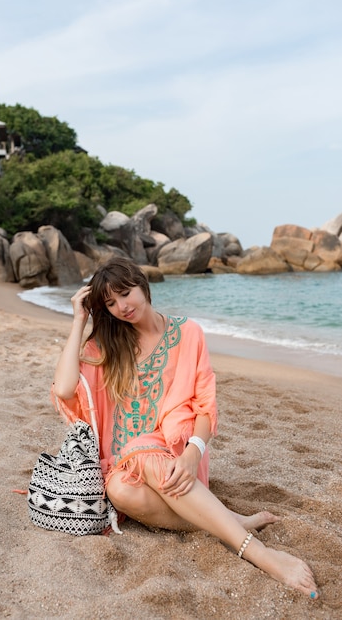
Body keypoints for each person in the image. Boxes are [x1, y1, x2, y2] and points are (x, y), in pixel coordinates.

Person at [53, 257, 318, 600]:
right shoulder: (109, 344)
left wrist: (194, 451)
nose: (121, 307)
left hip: (178, 459)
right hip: (126, 465)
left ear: (142, 284)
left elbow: (205, 405)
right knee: (118, 490)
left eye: (125, 293)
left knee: (145, 455)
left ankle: (260, 555)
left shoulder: (187, 333)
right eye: (110, 303)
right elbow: (63, 389)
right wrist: (78, 320)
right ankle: (229, 519)